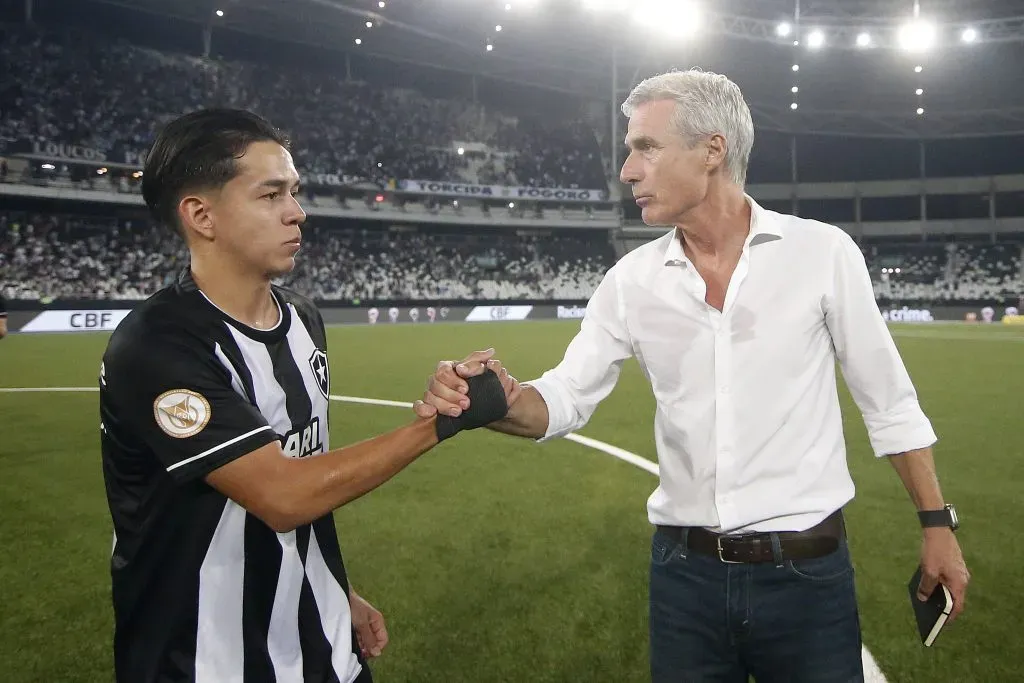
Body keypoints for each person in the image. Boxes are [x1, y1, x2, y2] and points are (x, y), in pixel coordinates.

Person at [414, 69, 970, 682]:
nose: (627, 170)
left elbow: (889, 402)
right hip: (685, 578)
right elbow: (565, 397)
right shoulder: (631, 280)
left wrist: (936, 524)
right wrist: (496, 398)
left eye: (645, 148)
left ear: (712, 150)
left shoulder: (822, 254)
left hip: (807, 575)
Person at [98, 108, 511, 683]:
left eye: (294, 191)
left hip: (323, 643)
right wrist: (439, 423)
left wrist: (333, 587)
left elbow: (304, 472)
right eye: (271, 195)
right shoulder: (156, 345)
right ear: (201, 214)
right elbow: (281, 494)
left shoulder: (302, 319)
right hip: (203, 661)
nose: (298, 212)